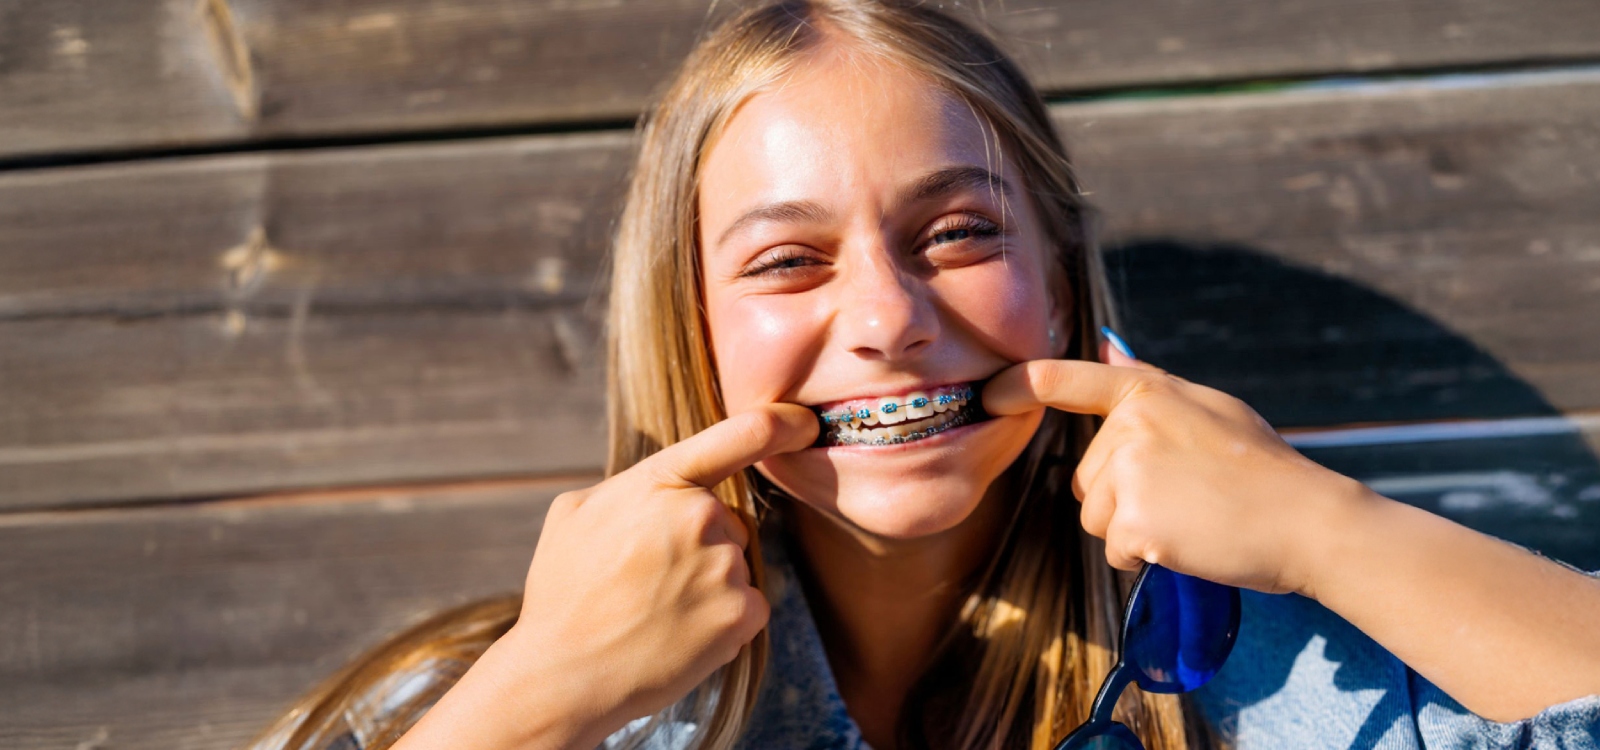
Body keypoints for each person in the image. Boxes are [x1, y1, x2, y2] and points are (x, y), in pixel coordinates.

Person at [250, 1, 1600, 748]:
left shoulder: (1275, 677)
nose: (889, 318)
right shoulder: (479, 707)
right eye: (788, 261)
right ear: (691, 320)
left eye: (957, 234)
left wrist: (1327, 527)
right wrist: (537, 692)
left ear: (1065, 281)